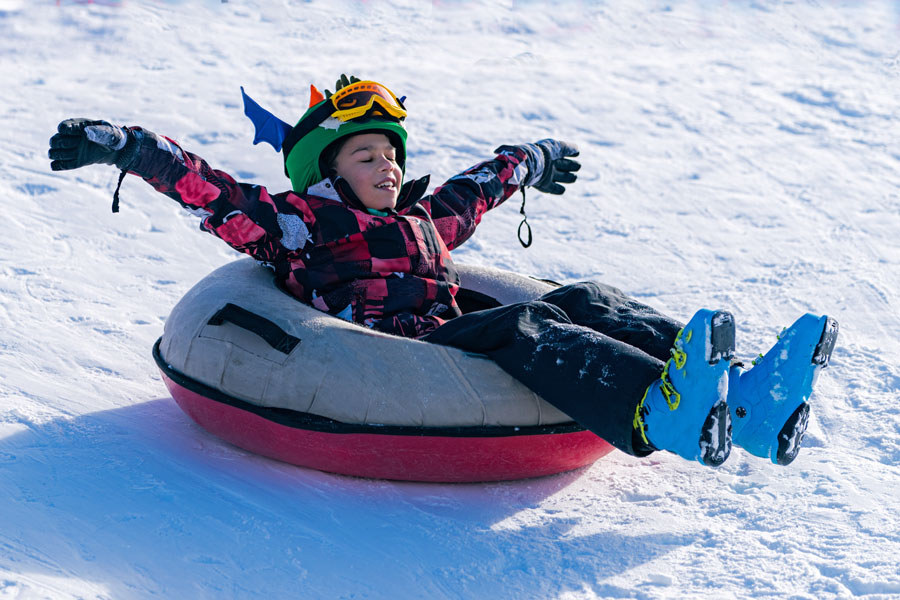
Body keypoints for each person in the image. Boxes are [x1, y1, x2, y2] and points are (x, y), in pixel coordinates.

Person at [48, 75, 838, 468]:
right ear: (324, 169)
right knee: (527, 324)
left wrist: (529, 161)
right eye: (367, 156)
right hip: (407, 346)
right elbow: (212, 190)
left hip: (455, 327)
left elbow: (474, 188)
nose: (388, 169)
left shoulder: (421, 221)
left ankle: (741, 399)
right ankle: (656, 412)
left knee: (587, 298)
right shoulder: (298, 223)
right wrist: (128, 146)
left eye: (393, 156)